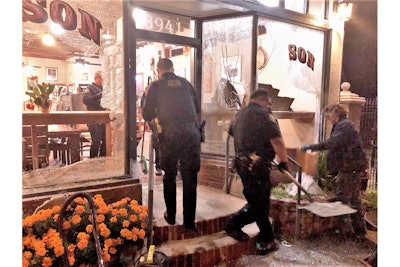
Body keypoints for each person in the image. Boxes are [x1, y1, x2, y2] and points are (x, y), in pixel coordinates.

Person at [224, 89, 289, 255]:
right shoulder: (264, 115)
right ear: (263, 100)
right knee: (259, 203)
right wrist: (284, 161)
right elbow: (277, 141)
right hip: (257, 166)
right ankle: (235, 225)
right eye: (269, 103)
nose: (269, 106)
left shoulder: (239, 115)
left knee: (259, 201)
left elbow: (231, 133)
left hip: (242, 164)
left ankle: (266, 238)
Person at [142, 58, 202, 237]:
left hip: (170, 136)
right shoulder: (186, 83)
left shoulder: (156, 85)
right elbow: (197, 108)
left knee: (170, 176)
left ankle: (171, 215)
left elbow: (147, 114)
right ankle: (190, 225)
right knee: (190, 178)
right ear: (173, 68)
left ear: (158, 70)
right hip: (192, 134)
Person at [300, 103, 368, 239]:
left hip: (349, 168)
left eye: (328, 116)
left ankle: (347, 234)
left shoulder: (343, 126)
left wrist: (312, 147)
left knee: (343, 200)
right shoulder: (345, 125)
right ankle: (359, 231)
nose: (328, 119)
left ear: (334, 115)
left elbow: (332, 142)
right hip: (352, 168)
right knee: (354, 200)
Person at [82, 71, 107, 158]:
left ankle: (103, 162)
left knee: (105, 141)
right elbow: (85, 100)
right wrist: (98, 96)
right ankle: (92, 162)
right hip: (93, 119)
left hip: (104, 119)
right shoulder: (90, 88)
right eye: (101, 79)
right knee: (96, 142)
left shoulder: (105, 88)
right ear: (96, 78)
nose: (103, 81)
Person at [141, 86, 162, 176]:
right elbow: (145, 111)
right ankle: (159, 166)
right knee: (157, 143)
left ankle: (161, 165)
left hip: (162, 121)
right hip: (155, 121)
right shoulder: (145, 97)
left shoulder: (158, 96)